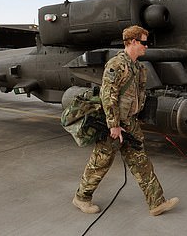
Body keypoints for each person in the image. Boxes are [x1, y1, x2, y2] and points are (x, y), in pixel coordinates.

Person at [73, 25, 179, 216]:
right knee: (100, 163)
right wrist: (114, 125)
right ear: (132, 42)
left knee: (141, 162)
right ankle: (81, 198)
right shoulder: (116, 65)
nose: (147, 46)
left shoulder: (138, 68)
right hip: (114, 126)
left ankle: (157, 202)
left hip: (130, 123)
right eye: (144, 42)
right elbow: (108, 96)